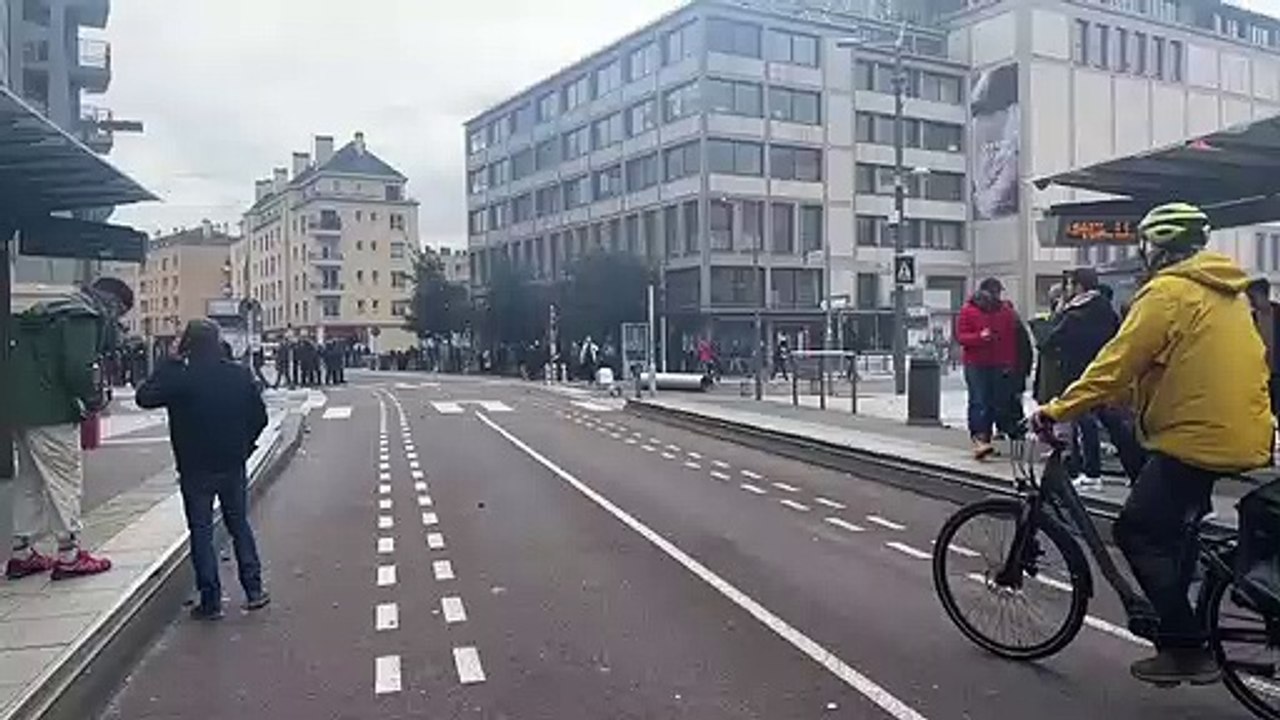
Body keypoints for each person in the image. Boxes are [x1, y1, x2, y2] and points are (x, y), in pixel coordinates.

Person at [1033, 202, 1272, 686]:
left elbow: (1115, 363)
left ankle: (1185, 647)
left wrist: (1057, 409)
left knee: (1136, 531)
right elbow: (1166, 365)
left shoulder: (1166, 293)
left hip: (1197, 438)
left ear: (1156, 248)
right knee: (1174, 529)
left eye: (1145, 245)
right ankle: (1182, 612)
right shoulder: (1226, 292)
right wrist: (1116, 400)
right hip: (1241, 430)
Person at [136, 319, 271, 620]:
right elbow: (260, 418)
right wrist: (244, 447)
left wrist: (167, 362)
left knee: (201, 532)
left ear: (187, 344)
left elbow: (144, 397)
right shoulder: (238, 375)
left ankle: (210, 601)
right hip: (232, 463)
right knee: (239, 526)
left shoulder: (182, 378)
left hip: (195, 466)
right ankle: (254, 589)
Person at [5, 278, 129, 580]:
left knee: (29, 478)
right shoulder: (81, 316)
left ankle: (22, 552)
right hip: (53, 410)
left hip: (18, 407)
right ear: (114, 303)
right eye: (122, 314)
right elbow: (77, 368)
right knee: (64, 477)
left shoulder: (49, 310)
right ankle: (69, 554)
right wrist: (91, 398)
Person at [1043, 267, 1123, 487]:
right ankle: (1136, 470)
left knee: (1084, 421)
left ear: (1078, 286)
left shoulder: (1074, 313)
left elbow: (1049, 341)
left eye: (1070, 284)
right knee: (1112, 422)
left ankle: (1091, 472)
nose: (1068, 288)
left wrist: (1058, 314)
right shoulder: (1106, 309)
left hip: (1078, 373)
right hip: (1103, 371)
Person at [956, 278, 1020, 459]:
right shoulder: (969, 311)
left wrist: (1010, 364)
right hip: (976, 363)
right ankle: (979, 439)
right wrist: (980, 337)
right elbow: (961, 338)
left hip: (998, 364)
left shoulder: (1005, 312)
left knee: (993, 403)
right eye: (996, 292)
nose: (998, 296)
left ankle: (986, 440)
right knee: (979, 400)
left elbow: (1010, 341)